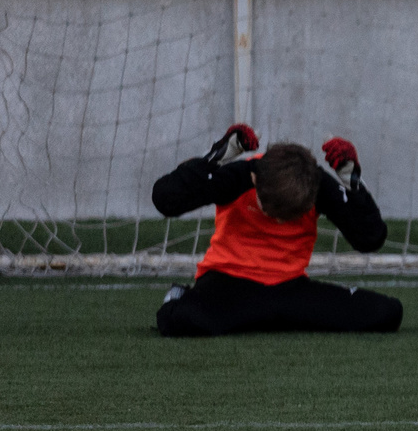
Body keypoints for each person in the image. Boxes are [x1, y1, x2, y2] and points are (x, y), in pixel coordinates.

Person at [152, 127, 397, 337]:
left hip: (290, 289)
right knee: (180, 321)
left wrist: (352, 184)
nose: (278, 219)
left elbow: (370, 238)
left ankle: (267, 315)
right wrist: (213, 159)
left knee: (387, 313)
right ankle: (179, 295)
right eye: (270, 211)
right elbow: (165, 199)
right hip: (227, 282)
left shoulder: (315, 183)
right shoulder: (240, 175)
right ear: (255, 180)